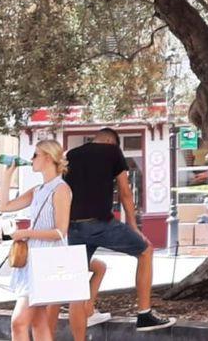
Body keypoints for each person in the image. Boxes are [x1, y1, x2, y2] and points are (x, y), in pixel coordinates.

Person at [65, 128, 174, 332]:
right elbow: (125, 191)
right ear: (110, 141)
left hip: (74, 226)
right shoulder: (112, 151)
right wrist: (133, 226)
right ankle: (144, 314)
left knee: (76, 288)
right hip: (100, 223)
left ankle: (86, 315)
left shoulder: (72, 155)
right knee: (145, 251)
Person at [0, 139, 73, 341]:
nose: (31, 159)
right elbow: (3, 206)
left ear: (47, 158)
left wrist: (26, 233)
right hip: (33, 260)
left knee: (19, 321)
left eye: (35, 155)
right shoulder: (38, 190)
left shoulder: (61, 189)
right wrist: (8, 174)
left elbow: (60, 231)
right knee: (38, 321)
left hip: (46, 261)